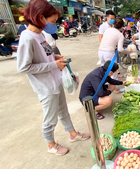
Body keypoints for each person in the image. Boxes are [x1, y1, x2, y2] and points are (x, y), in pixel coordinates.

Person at [17, 0, 90, 156]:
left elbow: (45, 54)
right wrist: (53, 65)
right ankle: (51, 144)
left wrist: (54, 56)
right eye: (52, 21)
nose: (54, 25)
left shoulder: (40, 34)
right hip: (45, 86)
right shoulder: (27, 37)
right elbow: (24, 67)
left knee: (63, 111)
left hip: (55, 81)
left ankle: (72, 134)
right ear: (40, 17)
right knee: (50, 119)